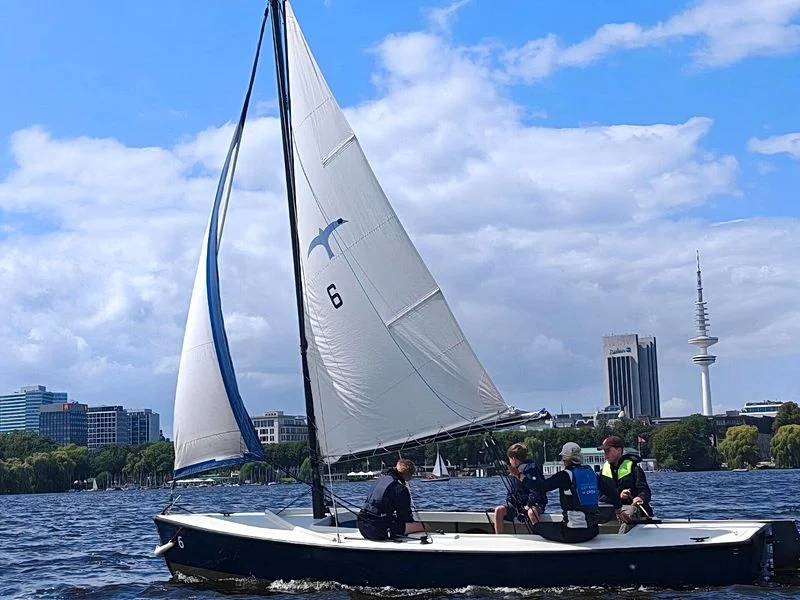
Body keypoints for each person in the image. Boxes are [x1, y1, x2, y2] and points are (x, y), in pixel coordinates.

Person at [525, 442, 629, 543]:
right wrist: (619, 510)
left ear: (565, 459)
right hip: (592, 531)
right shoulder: (591, 473)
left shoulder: (565, 475)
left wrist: (520, 476)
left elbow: (540, 487)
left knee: (538, 527)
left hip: (572, 533)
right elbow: (612, 493)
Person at [357, 458, 426, 541]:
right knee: (424, 526)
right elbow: (405, 517)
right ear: (408, 476)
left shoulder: (380, 480)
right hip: (377, 531)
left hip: (362, 526)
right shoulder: (400, 489)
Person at [596, 435, 653, 533]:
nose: (605, 455)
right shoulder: (603, 472)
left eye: (608, 451)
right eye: (604, 452)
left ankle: (621, 541)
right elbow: (600, 496)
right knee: (590, 512)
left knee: (629, 513)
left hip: (630, 507)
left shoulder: (634, 469)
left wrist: (640, 498)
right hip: (611, 508)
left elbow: (645, 491)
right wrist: (619, 495)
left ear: (618, 450)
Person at [493, 442, 547, 533]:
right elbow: (512, 491)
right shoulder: (514, 471)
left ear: (513, 459)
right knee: (499, 510)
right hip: (517, 505)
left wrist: (528, 506)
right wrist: (510, 503)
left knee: (531, 512)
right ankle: (499, 539)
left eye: (509, 459)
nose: (509, 462)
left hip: (534, 504)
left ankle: (540, 535)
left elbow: (536, 491)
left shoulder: (531, 469)